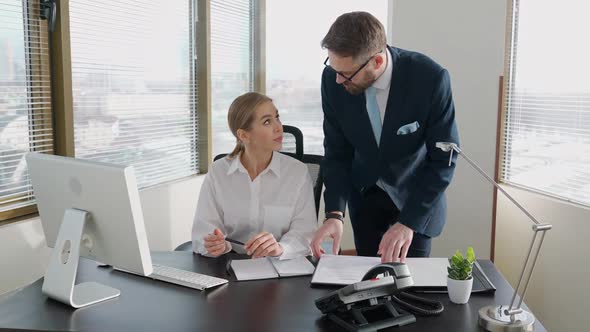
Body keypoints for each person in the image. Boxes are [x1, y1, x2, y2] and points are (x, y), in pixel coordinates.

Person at [311, 12, 460, 263]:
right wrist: (334, 214)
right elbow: (337, 152)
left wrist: (408, 223)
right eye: (333, 67)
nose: (338, 79)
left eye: (346, 74)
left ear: (377, 62)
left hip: (414, 202)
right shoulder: (333, 80)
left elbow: (443, 160)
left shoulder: (430, 79)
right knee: (370, 291)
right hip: (365, 201)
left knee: (412, 292)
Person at [192, 92, 317, 260]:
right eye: (267, 121)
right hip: (230, 265)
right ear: (244, 135)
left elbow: (305, 233)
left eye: (277, 117)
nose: (279, 127)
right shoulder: (218, 172)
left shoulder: (297, 172)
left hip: (281, 266)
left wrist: (281, 248)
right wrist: (215, 245)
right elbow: (203, 231)